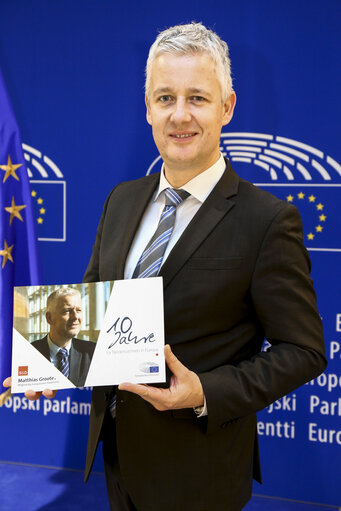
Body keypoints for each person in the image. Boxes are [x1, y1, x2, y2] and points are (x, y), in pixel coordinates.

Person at [3, 22, 326, 511]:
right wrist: (52, 362)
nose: (179, 115)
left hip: (200, 474)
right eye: (164, 97)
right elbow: (92, 309)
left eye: (197, 97)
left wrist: (205, 392)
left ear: (227, 107)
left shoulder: (268, 220)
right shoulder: (121, 199)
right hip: (116, 464)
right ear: (148, 108)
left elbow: (304, 350)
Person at [32, 287, 95, 387]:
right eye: (67, 311)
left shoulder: (92, 353)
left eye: (78, 310)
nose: (75, 317)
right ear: (49, 318)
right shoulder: (30, 352)